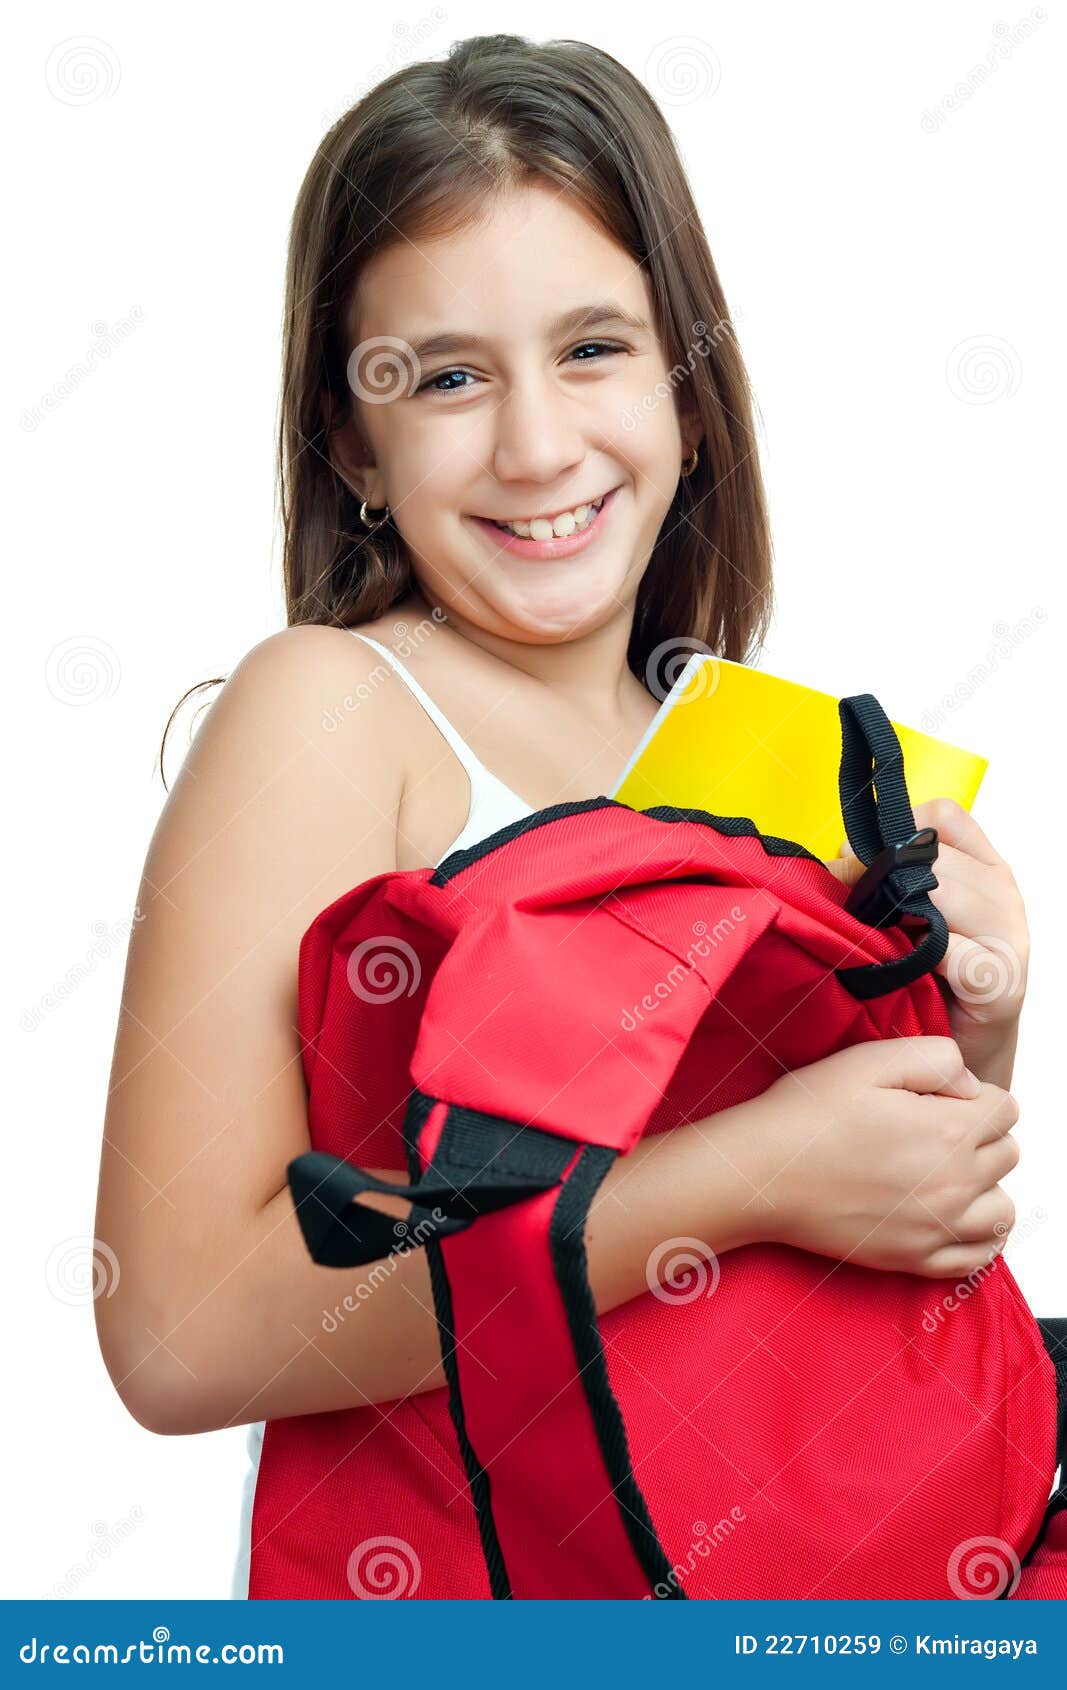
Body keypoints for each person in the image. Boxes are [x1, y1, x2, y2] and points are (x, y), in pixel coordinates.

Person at [93, 33, 1033, 1600]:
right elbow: (175, 1331)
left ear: (685, 375)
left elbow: (869, 1280)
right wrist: (751, 1175)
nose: (536, 447)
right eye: (448, 377)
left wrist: (972, 1042)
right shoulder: (331, 707)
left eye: (594, 347)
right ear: (352, 441)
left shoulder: (753, 743)